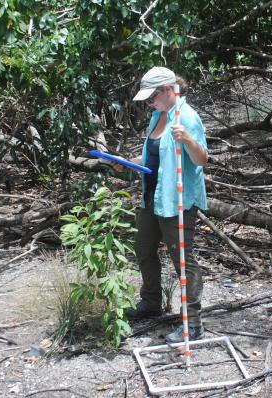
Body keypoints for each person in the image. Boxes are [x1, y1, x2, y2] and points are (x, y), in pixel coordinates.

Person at [113, 66, 208, 344]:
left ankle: (193, 323)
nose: (149, 103)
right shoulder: (157, 116)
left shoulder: (187, 117)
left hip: (177, 201)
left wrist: (188, 139)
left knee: (182, 261)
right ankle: (151, 303)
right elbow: (153, 161)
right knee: (143, 249)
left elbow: (202, 159)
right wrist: (125, 165)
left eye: (152, 97)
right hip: (152, 197)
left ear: (168, 89)